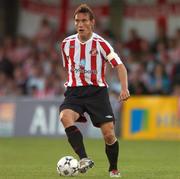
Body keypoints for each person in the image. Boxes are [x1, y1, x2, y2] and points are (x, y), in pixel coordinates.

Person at [59, 4, 130, 177]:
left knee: (109, 135)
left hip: (97, 92)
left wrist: (124, 88)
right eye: (77, 21)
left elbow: (119, 66)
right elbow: (67, 67)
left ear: (92, 22)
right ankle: (83, 158)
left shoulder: (101, 44)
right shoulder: (66, 44)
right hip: (74, 91)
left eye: (84, 21)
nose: (80, 24)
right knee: (65, 117)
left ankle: (113, 169)